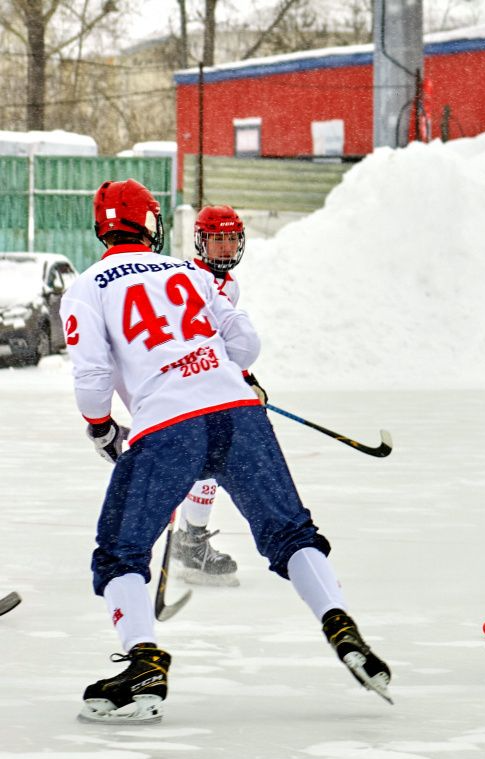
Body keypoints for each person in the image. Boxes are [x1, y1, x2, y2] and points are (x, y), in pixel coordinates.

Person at [62, 179, 391, 723]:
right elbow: (244, 346)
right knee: (291, 533)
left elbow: (93, 377)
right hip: (239, 413)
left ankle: (143, 660)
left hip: (167, 425)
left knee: (120, 552)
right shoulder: (188, 272)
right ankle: (340, 623)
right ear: (152, 225)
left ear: (102, 228)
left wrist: (101, 428)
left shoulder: (89, 285)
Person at [170, 204, 254, 586]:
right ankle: (178, 541)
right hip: (182, 384)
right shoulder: (186, 278)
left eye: (231, 238)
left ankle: (190, 540)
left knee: (208, 464)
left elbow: (225, 339)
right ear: (201, 242)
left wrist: (246, 377)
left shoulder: (230, 285)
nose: (224, 247)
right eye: (216, 239)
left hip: (208, 384)